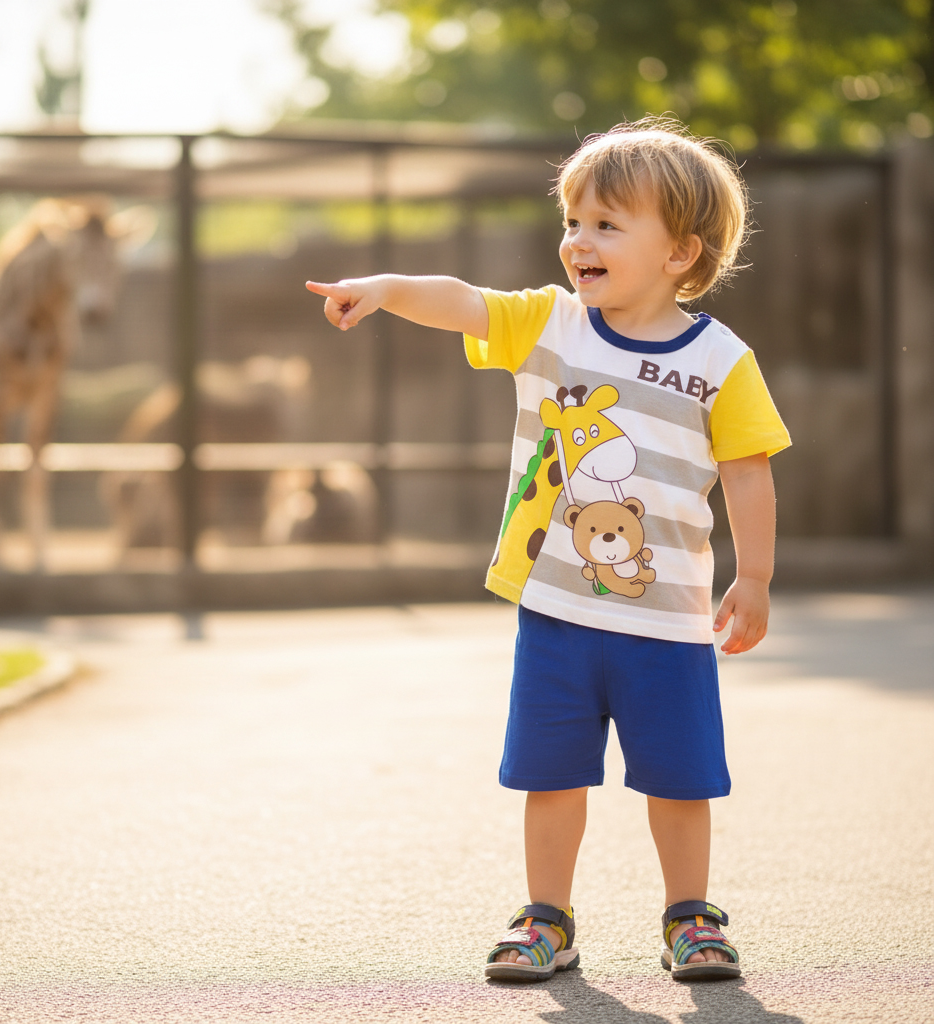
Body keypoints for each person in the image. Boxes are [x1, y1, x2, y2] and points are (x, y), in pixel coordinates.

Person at [306, 117, 790, 983]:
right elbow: (461, 299)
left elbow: (748, 474)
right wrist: (383, 287)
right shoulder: (552, 326)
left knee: (680, 782)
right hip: (557, 612)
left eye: (607, 224)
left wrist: (753, 577)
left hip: (669, 622)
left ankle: (691, 917)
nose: (578, 241)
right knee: (551, 775)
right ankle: (547, 918)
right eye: (572, 222)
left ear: (680, 252)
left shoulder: (722, 361)